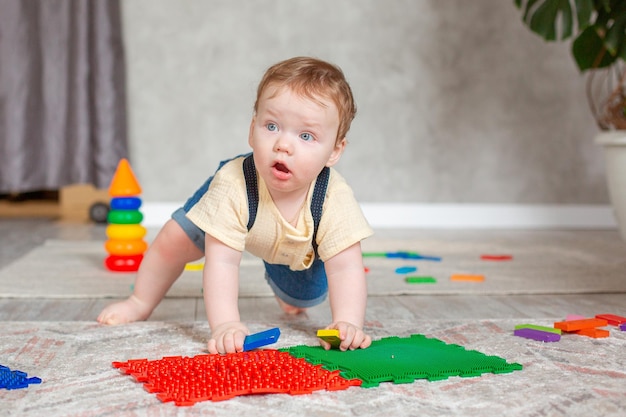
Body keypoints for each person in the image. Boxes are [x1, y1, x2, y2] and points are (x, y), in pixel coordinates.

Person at [98, 56, 373, 354]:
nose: (283, 144)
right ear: (252, 129)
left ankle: (286, 290)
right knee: (174, 239)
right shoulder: (233, 183)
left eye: (306, 135)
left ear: (334, 151)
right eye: (271, 126)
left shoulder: (333, 197)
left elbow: (346, 269)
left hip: (300, 247)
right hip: (242, 206)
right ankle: (139, 301)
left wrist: (347, 322)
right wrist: (225, 324)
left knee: (303, 297)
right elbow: (222, 261)